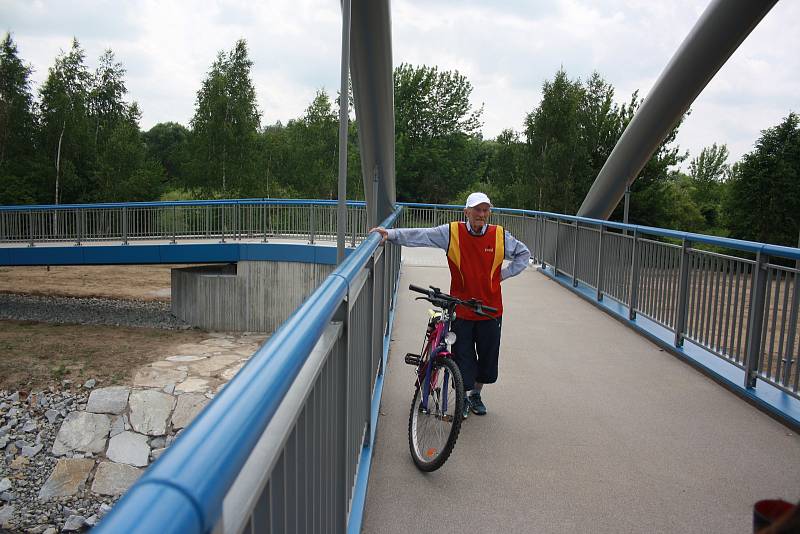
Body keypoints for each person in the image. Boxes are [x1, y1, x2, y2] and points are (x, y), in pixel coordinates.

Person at [370, 192, 531, 418]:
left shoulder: (500, 236)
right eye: (477, 210)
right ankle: (463, 397)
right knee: (462, 357)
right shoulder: (452, 232)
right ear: (467, 211)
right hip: (461, 308)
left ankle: (476, 394)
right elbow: (422, 236)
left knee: (486, 360)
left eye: (485, 210)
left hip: (490, 309)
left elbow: (524, 255)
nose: (481, 215)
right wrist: (390, 234)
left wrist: (501, 276)